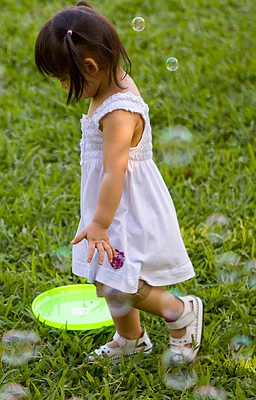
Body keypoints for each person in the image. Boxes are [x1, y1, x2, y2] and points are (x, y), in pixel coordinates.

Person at [34, 1, 204, 364]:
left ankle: (181, 313)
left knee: (123, 284)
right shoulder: (111, 80)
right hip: (111, 207)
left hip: (123, 212)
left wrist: (99, 224)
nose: (64, 85)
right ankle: (131, 339)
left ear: (91, 66)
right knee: (107, 281)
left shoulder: (119, 113)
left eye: (65, 77)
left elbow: (115, 171)